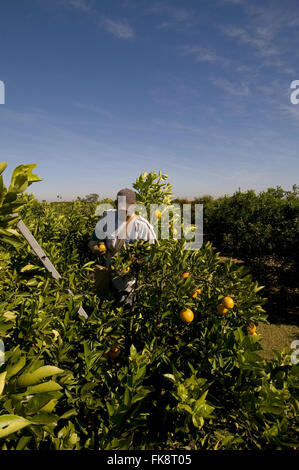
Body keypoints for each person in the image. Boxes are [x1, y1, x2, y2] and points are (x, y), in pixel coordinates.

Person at [88, 188, 157, 305]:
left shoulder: (142, 227)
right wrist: (95, 248)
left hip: (128, 284)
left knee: (125, 310)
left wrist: (134, 260)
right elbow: (93, 241)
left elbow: (150, 255)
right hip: (108, 276)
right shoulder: (107, 219)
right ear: (116, 205)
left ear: (134, 206)